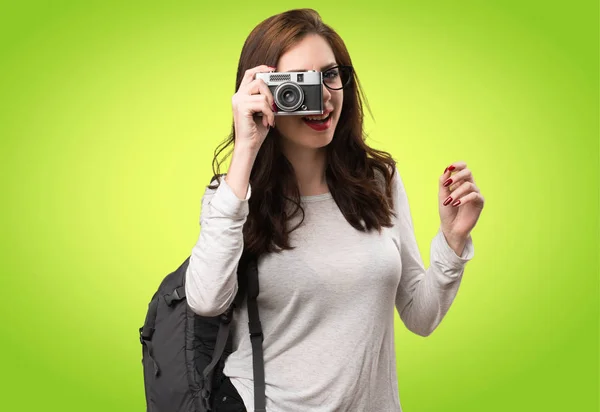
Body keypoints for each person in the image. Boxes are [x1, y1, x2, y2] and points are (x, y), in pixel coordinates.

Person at [185, 8, 485, 412]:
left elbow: (420, 315)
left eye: (330, 74)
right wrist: (245, 150)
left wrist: (452, 239)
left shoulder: (378, 181)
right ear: (261, 90)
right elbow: (205, 300)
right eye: (297, 82)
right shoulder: (233, 195)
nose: (323, 96)